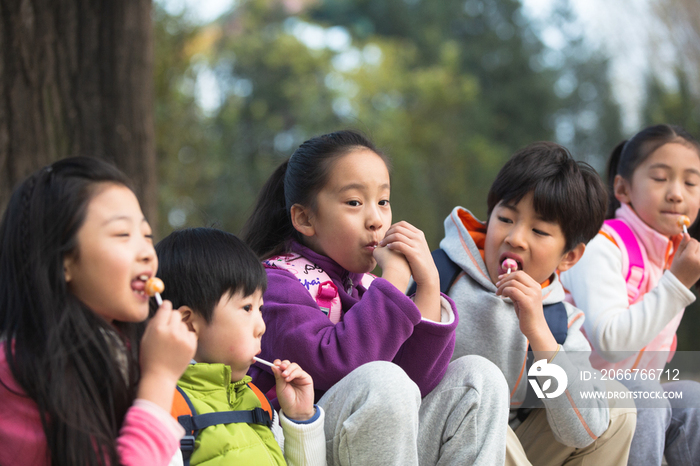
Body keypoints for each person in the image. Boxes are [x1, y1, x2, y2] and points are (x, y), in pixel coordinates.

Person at [241, 129, 510, 466]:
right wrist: (395, 279)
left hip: (379, 442)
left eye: (383, 201)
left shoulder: (367, 286)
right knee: (383, 380)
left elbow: (417, 381)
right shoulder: (276, 282)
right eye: (354, 202)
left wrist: (428, 285)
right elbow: (335, 364)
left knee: (479, 378)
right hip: (303, 443)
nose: (376, 220)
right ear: (305, 218)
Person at [438, 142, 637, 465]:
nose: (515, 238)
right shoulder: (437, 276)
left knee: (617, 405)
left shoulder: (560, 321)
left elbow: (585, 432)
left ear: (570, 256)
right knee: (485, 413)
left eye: (539, 231)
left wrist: (540, 336)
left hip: (515, 446)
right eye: (505, 218)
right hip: (439, 436)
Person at [0, 157, 197, 465]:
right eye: (122, 234)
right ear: (63, 260)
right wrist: (159, 379)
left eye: (146, 235)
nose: (148, 252)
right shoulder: (16, 373)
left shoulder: (125, 351)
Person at [560, 124, 700, 466]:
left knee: (692, 397)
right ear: (622, 188)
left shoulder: (670, 256)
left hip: (629, 391)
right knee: (643, 392)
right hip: (568, 396)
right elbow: (610, 341)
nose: (676, 193)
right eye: (660, 178)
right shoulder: (601, 245)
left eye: (691, 182)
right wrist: (677, 284)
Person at [154, 227, 326, 465]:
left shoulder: (258, 402)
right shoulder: (165, 408)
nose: (261, 327)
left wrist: (300, 419)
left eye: (260, 309)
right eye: (247, 308)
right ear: (188, 323)